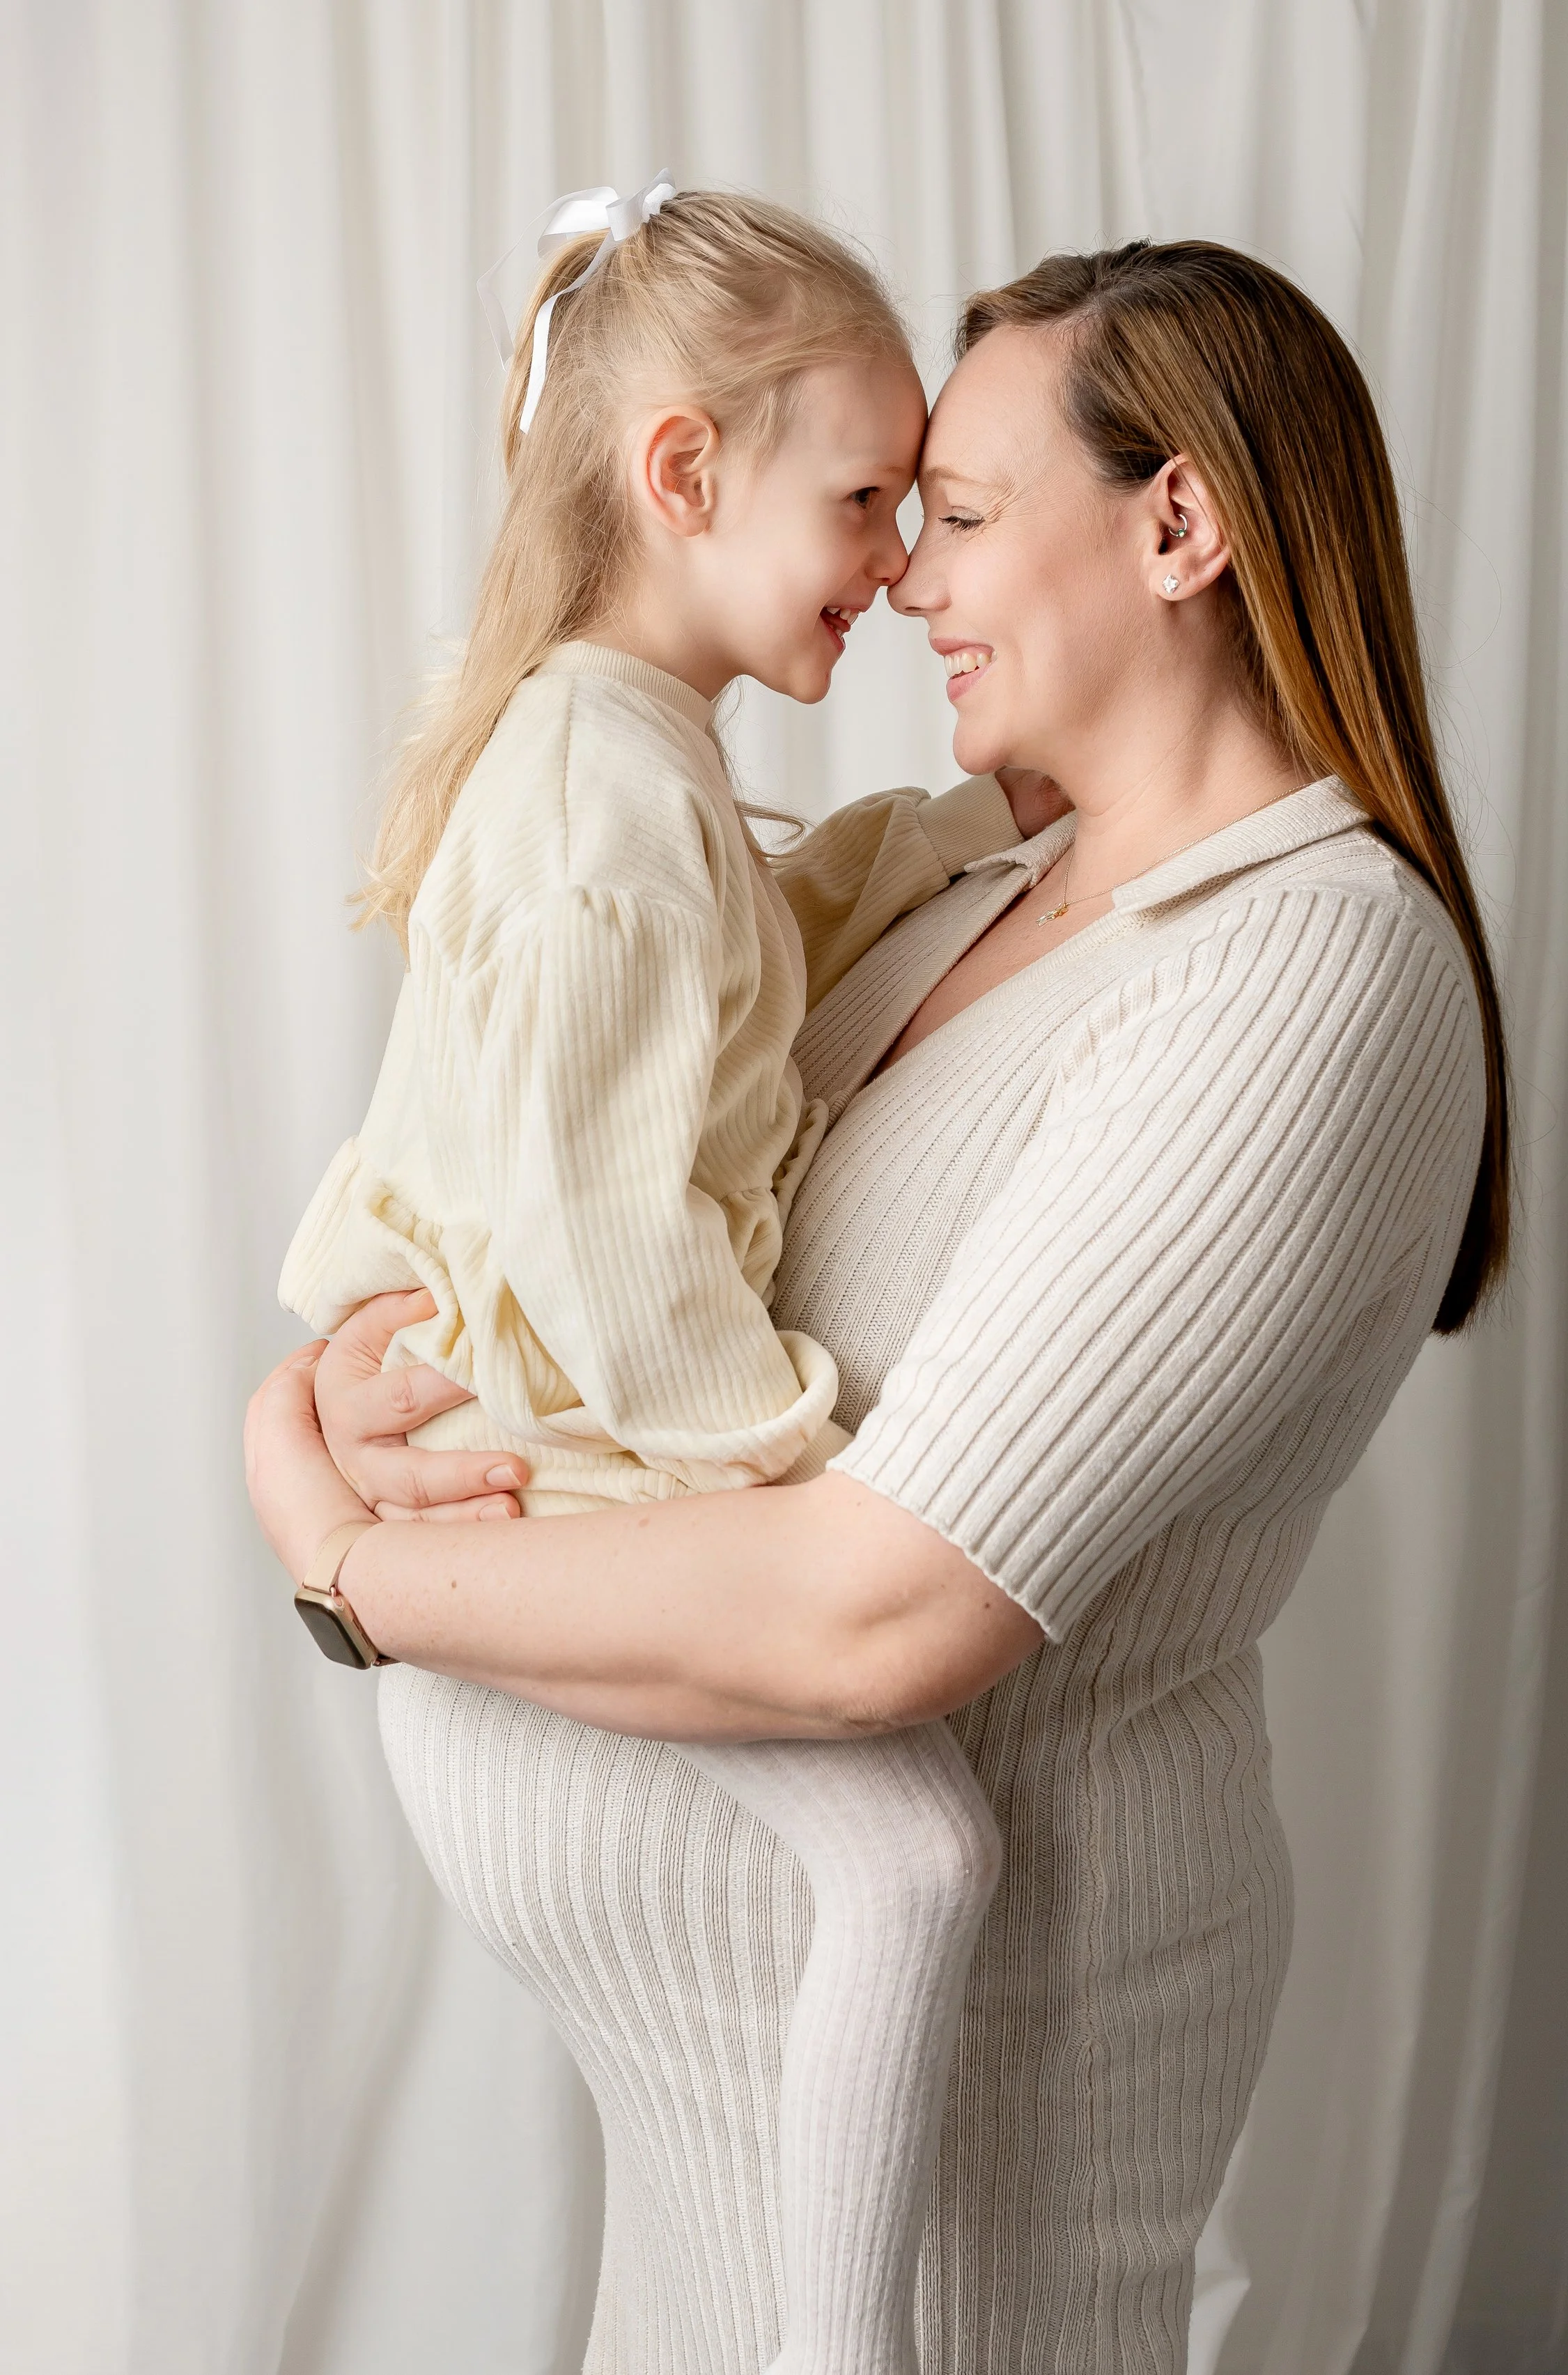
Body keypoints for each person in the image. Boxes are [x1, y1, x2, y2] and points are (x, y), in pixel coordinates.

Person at [247, 237, 1511, 2373]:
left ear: (1178, 521)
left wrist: (354, 1574)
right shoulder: (966, 889)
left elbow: (879, 1616)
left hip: (952, 2219)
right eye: (891, 513)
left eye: (966, 513)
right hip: (712, 2121)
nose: (910, 575)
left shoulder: (1301, 972)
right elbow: (562, 1198)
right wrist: (306, 1419)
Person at [276, 185, 1062, 2375]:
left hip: (547, 1423)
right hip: (572, 1447)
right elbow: (611, 1241)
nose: (901, 560)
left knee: (913, 1862)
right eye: (868, 497)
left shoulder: (614, 751)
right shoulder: (609, 794)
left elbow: (749, 958)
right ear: (687, 473)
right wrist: (795, 1468)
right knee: (915, 1861)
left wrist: (959, 830)